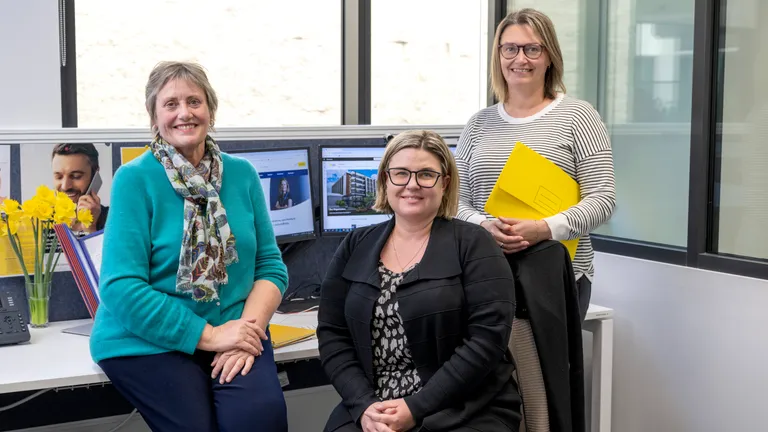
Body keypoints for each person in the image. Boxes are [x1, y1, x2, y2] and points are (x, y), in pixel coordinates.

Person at [89, 61, 290, 432]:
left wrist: (244, 332)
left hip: (234, 325)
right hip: (148, 339)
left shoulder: (242, 174)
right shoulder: (134, 179)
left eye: (194, 101)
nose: (185, 113)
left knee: (259, 420)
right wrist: (211, 336)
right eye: (171, 104)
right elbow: (121, 289)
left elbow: (270, 266)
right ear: (154, 117)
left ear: (210, 111)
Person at [317, 130, 521, 432]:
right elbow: (333, 333)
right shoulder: (356, 244)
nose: (412, 184)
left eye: (426, 174)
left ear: (445, 184)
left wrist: (416, 407)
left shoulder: (475, 244)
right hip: (374, 406)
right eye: (400, 174)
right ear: (385, 181)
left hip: (464, 406)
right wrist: (362, 405)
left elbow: (487, 341)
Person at [455, 8, 616, 320]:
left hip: (556, 274)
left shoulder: (578, 117)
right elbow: (454, 202)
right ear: (498, 56)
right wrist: (484, 226)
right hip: (484, 273)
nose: (521, 59)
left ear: (549, 56)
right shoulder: (478, 124)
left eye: (532, 49)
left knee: (543, 370)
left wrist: (544, 229)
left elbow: (602, 199)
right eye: (510, 49)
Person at [51, 143, 109, 233]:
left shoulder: (114, 220)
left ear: (95, 175)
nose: (65, 186)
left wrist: (90, 229)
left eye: (76, 176)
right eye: (59, 177)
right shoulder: (41, 222)